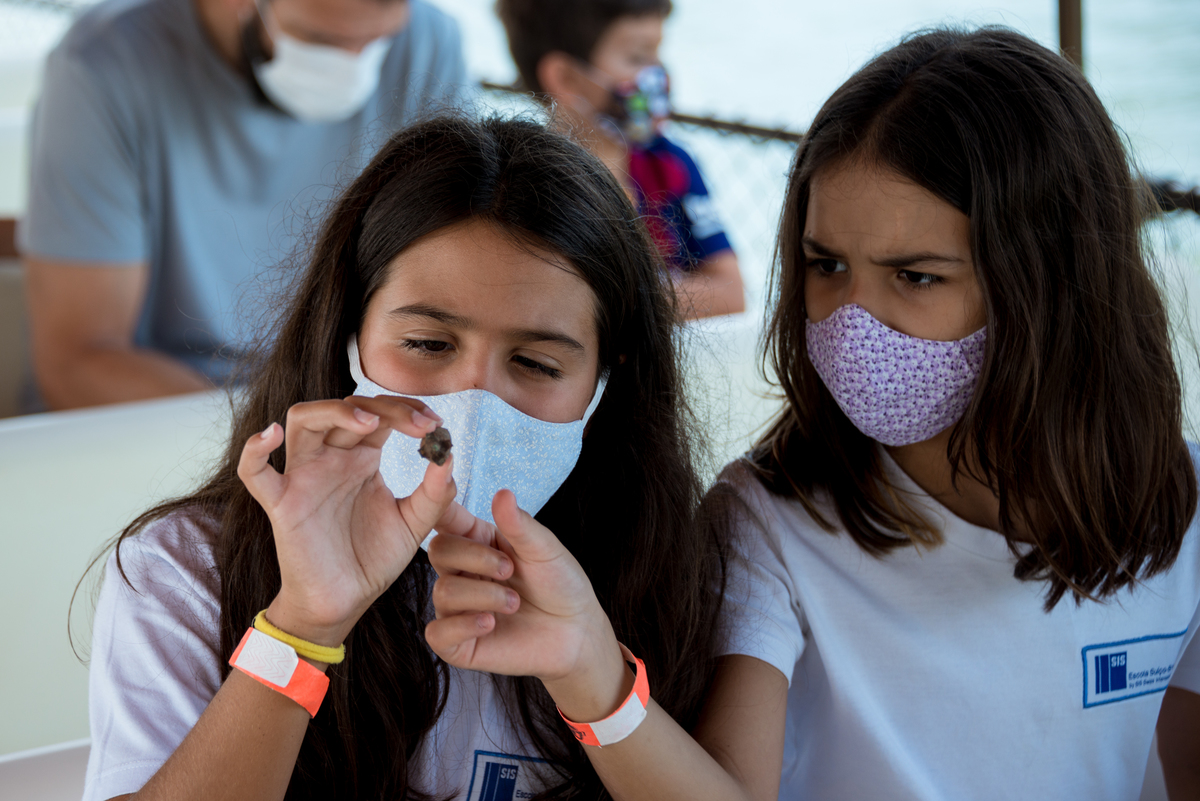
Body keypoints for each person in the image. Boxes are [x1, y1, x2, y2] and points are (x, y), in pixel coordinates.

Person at [424, 28, 1200, 800]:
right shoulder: (771, 518)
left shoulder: (1186, 508)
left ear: (1049, 282)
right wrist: (595, 677)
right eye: (826, 265)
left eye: (916, 276)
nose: (853, 321)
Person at [82, 115, 727, 801]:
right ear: (350, 333)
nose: (472, 401)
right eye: (426, 344)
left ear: (605, 381)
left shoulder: (674, 572)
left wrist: (602, 684)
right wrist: (304, 622)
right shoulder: (186, 570)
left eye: (536, 363)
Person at [19, 0, 466, 411]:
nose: (351, 67)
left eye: (374, 43)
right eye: (320, 41)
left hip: (332, 404)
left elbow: (453, 291)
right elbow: (78, 361)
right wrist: (272, 436)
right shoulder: (101, 68)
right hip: (162, 419)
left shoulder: (428, 45)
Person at [495, 0, 744, 320]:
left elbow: (732, 291)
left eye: (657, 54)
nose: (657, 74)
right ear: (566, 78)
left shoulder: (671, 164)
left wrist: (611, 304)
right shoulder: (522, 183)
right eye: (638, 57)